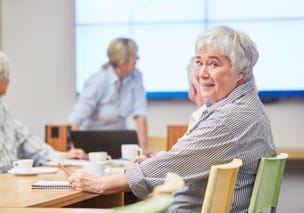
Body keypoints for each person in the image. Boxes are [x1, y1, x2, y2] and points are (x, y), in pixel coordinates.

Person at [68, 25, 277, 212]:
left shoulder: (230, 117)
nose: (201, 73)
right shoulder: (245, 107)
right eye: (199, 62)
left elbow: (174, 163)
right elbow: (185, 157)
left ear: (240, 71)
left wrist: (101, 183)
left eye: (213, 64)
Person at [0, 49, 86, 176]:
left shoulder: (0, 107)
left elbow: (25, 138)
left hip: (9, 183)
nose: (9, 80)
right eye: (7, 76)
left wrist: (59, 157)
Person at [67, 37, 149, 155]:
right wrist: (74, 150)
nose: (137, 61)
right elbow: (73, 122)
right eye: (135, 58)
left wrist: (144, 151)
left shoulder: (136, 76)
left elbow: (140, 115)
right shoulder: (97, 81)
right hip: (92, 147)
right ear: (123, 63)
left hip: (120, 144)